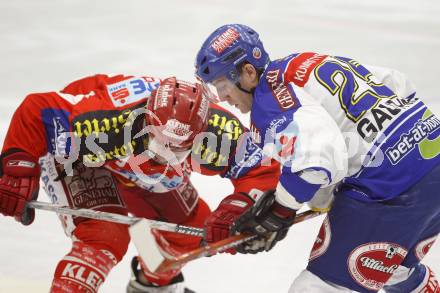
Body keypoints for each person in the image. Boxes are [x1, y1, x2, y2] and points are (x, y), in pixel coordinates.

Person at [194, 23, 440, 292]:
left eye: (223, 84)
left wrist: (280, 210)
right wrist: (322, 195)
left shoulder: (270, 101)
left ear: (248, 72)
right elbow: (398, 84)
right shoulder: (303, 63)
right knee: (392, 269)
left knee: (319, 287)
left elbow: (316, 160)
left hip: (394, 186)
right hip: (432, 147)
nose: (221, 97)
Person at [0, 74, 280, 293]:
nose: (163, 155)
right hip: (85, 158)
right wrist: (18, 166)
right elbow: (36, 111)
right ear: (147, 119)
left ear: (200, 136)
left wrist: (241, 212)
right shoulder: (100, 122)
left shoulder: (221, 133)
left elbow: (261, 172)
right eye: (158, 141)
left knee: (193, 232)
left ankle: (151, 286)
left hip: (133, 168)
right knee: (105, 234)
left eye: (177, 150)